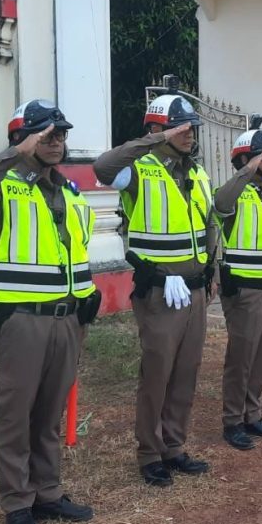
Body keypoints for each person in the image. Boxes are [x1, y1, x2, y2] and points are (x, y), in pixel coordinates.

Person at [0, 99, 100, 524]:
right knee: (16, 414)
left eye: (61, 135)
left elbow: (75, 247)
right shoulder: (5, 186)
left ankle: (47, 493)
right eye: (47, 135)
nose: (57, 142)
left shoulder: (70, 191)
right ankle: (18, 503)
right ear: (24, 138)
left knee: (50, 411)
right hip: (23, 319)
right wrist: (14, 153)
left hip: (66, 318)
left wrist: (87, 295)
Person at [92, 94, 214, 488]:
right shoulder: (138, 170)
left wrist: (211, 268)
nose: (190, 135)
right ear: (157, 129)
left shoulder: (196, 172)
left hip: (194, 289)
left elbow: (209, 224)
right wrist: (153, 140)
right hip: (160, 290)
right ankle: (149, 451)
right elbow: (103, 167)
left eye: (192, 128)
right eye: (181, 128)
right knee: (157, 372)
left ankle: (174, 446)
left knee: (186, 371)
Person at [212, 125, 262, 449]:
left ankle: (252, 413)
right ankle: (233, 421)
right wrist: (248, 169)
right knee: (241, 358)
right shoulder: (234, 193)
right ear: (247, 159)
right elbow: (220, 202)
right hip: (246, 290)